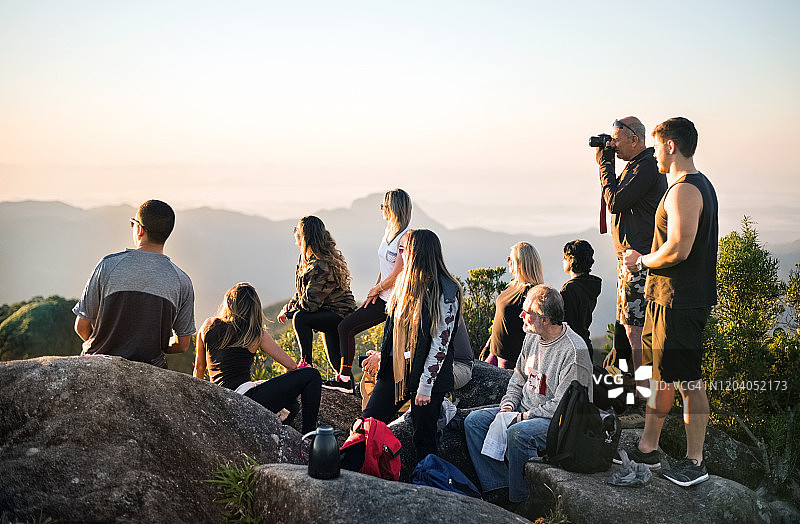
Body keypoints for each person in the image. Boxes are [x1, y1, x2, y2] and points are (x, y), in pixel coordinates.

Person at [621, 117, 718, 486]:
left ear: (671, 146)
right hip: (667, 299)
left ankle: (695, 463)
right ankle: (649, 447)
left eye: (657, 146)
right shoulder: (690, 185)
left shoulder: (685, 190)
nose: (654, 153)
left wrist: (641, 260)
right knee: (661, 376)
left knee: (689, 380)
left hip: (680, 301)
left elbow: (678, 248)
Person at [464, 285, 593, 504]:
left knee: (518, 433)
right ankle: (499, 486)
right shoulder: (533, 337)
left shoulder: (573, 351)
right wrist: (507, 406)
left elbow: (563, 407)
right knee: (474, 422)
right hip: (525, 410)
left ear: (545, 319)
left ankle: (521, 500)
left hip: (558, 422)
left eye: (527, 312)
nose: (521, 315)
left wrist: (522, 417)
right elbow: (518, 379)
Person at [359, 229, 462, 465]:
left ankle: (426, 488)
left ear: (418, 252)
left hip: (427, 380)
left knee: (424, 441)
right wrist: (385, 357)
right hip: (397, 371)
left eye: (404, 249)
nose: (400, 253)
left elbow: (440, 343)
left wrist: (425, 386)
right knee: (368, 424)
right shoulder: (405, 283)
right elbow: (398, 335)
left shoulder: (446, 290)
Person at [73, 199, 195, 368]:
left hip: (99, 364)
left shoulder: (108, 265)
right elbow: (182, 345)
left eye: (133, 224)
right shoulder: (182, 281)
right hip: (150, 369)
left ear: (140, 230)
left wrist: (105, 343)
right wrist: (155, 344)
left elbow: (81, 326)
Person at [194, 283, 322, 434]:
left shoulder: (208, 325)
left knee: (292, 406)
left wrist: (200, 404)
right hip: (243, 400)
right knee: (311, 375)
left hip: (220, 401)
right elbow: (292, 366)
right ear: (254, 307)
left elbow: (199, 369)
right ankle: (310, 436)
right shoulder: (255, 333)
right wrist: (288, 384)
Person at [596, 117, 667, 374]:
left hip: (639, 261)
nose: (612, 145)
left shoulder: (646, 167)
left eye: (616, 139)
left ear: (634, 139)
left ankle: (643, 392)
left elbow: (614, 201)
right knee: (627, 324)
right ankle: (627, 382)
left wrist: (604, 163)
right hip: (630, 259)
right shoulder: (637, 165)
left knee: (635, 329)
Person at [325, 189, 413, 394]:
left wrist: (378, 288)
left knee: (392, 348)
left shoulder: (406, 237)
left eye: (384, 206)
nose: (381, 209)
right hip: (382, 297)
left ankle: (392, 390)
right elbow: (385, 268)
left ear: (393, 208)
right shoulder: (388, 231)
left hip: (397, 303)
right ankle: (345, 378)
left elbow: (399, 273)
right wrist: (375, 290)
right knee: (346, 326)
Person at [278, 216, 356, 371]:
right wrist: (289, 306)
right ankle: (347, 386)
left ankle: (306, 363)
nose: (295, 233)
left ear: (305, 235)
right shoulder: (307, 258)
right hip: (328, 312)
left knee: (300, 318)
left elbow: (309, 304)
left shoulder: (321, 265)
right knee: (336, 363)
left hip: (340, 314)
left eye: (297, 230)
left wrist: (290, 313)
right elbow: (303, 292)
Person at [358, 313, 474, 411]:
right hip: (431, 360)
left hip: (456, 365)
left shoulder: (437, 303)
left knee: (406, 369)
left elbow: (424, 352)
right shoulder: (414, 302)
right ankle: (372, 419)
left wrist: (383, 358)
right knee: (378, 369)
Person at [480, 242, 543, 369]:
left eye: (511, 259)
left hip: (509, 358)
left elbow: (536, 331)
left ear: (521, 263)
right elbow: (500, 318)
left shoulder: (532, 293)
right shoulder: (512, 285)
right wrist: (488, 345)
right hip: (494, 351)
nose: (507, 261)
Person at [560, 240, 602, 359]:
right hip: (585, 344)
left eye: (564, 258)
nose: (562, 261)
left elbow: (567, 322)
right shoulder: (590, 285)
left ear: (571, 260)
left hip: (572, 348)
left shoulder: (570, 289)